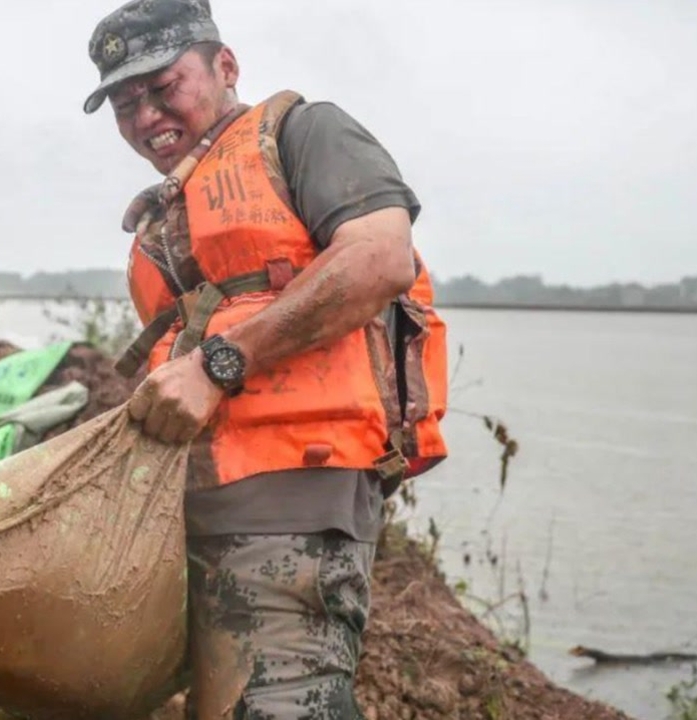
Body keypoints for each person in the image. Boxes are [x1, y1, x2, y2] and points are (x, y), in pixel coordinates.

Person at [83, 1, 450, 716]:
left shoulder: (305, 133)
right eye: (125, 104)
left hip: (295, 500)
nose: (146, 115)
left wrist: (218, 364)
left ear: (225, 66)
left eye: (164, 87)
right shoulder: (169, 206)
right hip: (200, 508)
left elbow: (379, 257)